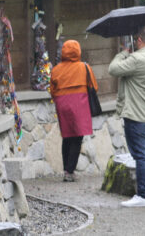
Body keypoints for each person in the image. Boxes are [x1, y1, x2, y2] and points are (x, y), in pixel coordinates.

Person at [108, 25, 145, 207]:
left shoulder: (136, 59)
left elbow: (113, 69)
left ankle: (142, 195)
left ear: (140, 40)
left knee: (141, 156)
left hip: (136, 114)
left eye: (135, 40)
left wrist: (123, 53)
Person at [50, 40, 98, 182]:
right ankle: (70, 171)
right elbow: (94, 87)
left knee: (67, 136)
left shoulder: (56, 69)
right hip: (80, 105)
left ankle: (66, 169)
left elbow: (52, 90)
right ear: (78, 51)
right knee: (77, 137)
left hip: (62, 104)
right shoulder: (84, 67)